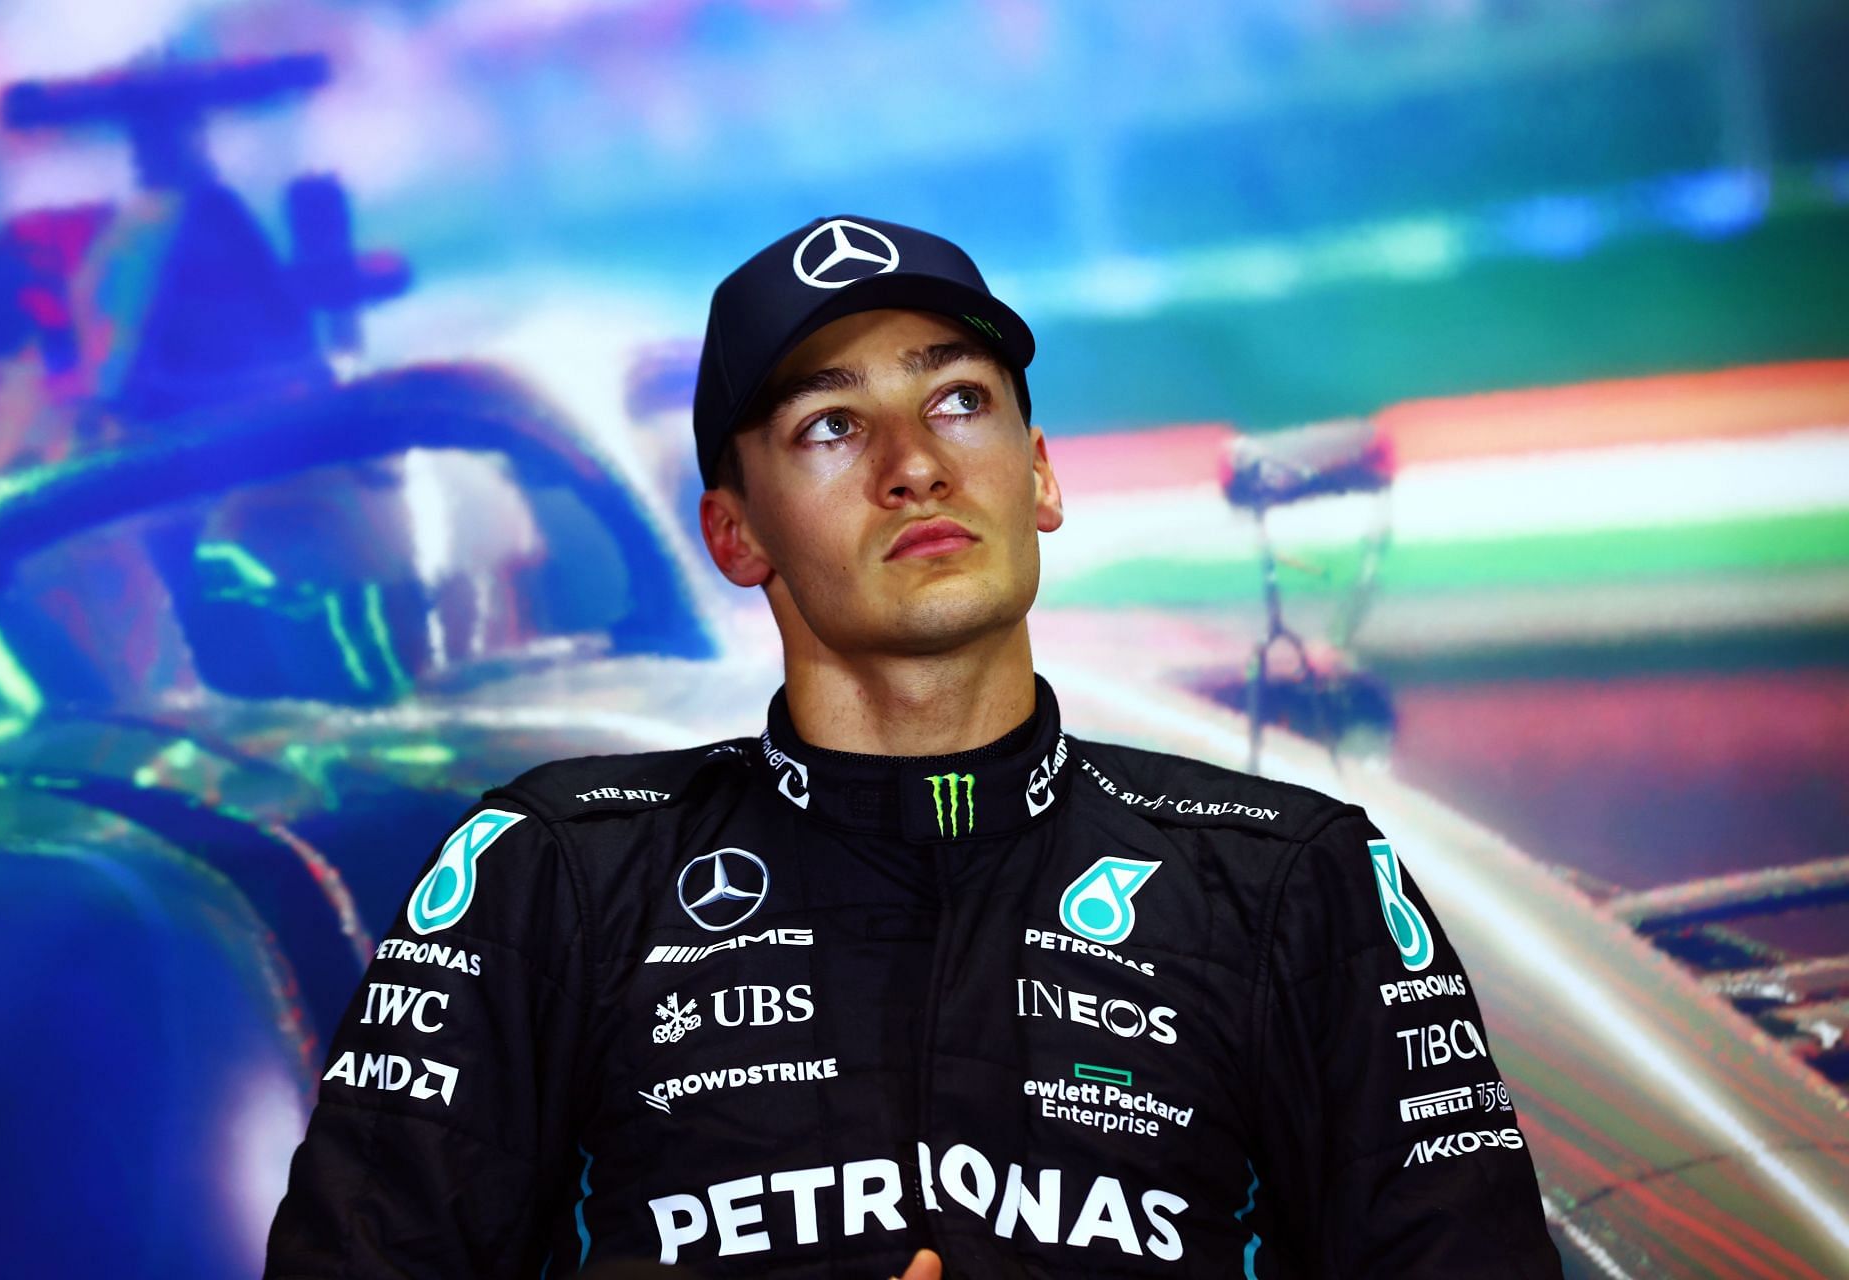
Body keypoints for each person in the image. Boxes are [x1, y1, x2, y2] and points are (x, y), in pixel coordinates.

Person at [265, 215, 1561, 1278]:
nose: (913, 467)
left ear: (1039, 477)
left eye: (957, 401)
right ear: (735, 533)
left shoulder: (1294, 883)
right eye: (831, 427)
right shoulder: (547, 875)